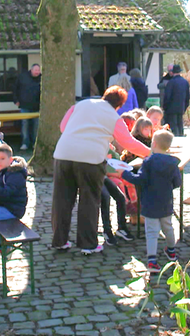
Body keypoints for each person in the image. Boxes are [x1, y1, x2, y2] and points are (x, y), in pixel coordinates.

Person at [51, 86, 151, 255]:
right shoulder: (114, 117)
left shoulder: (80, 105)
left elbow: (63, 127)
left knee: (62, 200)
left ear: (104, 96)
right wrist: (150, 153)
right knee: (89, 201)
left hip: (63, 155)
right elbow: (128, 143)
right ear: (119, 105)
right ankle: (87, 244)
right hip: (90, 160)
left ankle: (59, 241)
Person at [118, 129, 181, 273]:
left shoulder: (148, 162)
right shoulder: (173, 163)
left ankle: (152, 260)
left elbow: (139, 180)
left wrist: (125, 173)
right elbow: (177, 182)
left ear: (154, 143)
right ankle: (171, 250)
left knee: (152, 232)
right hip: (166, 202)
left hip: (149, 202)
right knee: (168, 227)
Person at [14, 64, 41, 150]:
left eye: (38, 70)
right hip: (25, 105)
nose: (37, 72)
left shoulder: (42, 78)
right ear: (31, 70)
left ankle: (35, 143)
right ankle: (25, 143)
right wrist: (16, 100)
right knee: (25, 125)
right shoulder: (23, 77)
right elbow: (15, 89)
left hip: (37, 106)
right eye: (35, 70)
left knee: (36, 126)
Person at [162, 65, 190, 137]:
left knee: (173, 126)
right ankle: (181, 138)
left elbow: (167, 97)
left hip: (171, 108)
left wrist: (165, 107)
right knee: (180, 125)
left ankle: (176, 140)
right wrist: (184, 107)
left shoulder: (171, 82)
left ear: (172, 72)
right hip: (181, 107)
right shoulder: (185, 82)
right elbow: (187, 97)